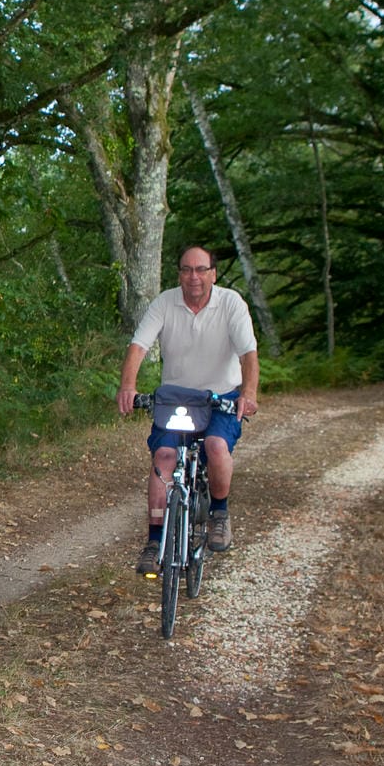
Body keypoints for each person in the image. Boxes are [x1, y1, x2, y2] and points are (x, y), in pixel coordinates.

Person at [115, 245, 259, 578]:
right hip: (176, 396)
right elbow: (139, 346)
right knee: (164, 457)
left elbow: (248, 354)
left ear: (213, 273)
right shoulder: (165, 302)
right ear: (179, 273)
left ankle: (219, 514)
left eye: (200, 270)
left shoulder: (231, 304)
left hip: (219, 396)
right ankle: (154, 541)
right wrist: (128, 387)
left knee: (216, 447)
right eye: (186, 270)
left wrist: (248, 393)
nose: (193, 277)